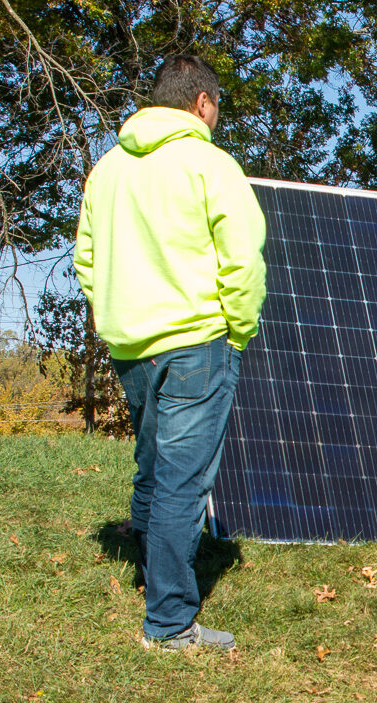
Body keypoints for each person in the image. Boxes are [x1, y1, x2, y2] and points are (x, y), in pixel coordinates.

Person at [76, 56, 266, 652]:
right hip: (197, 342)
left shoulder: (106, 170)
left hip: (131, 344)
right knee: (184, 481)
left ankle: (146, 562)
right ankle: (168, 622)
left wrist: (116, 314)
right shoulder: (210, 163)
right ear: (202, 103)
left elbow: (86, 259)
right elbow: (242, 258)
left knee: (154, 464)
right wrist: (237, 329)